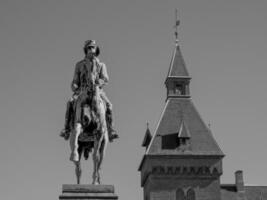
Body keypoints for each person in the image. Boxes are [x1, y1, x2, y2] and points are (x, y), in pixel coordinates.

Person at [60, 40, 118, 142]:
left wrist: (99, 82)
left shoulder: (101, 65)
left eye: (93, 47)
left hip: (97, 91)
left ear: (96, 50)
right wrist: (74, 86)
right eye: (89, 48)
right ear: (86, 50)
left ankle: (111, 130)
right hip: (82, 90)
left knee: (109, 105)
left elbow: (105, 78)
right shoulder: (79, 65)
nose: (91, 49)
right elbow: (75, 80)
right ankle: (66, 129)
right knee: (70, 103)